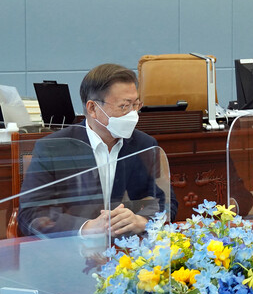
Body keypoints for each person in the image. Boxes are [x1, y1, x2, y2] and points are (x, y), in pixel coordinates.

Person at [18, 63, 178, 237]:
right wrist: (86, 228)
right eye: (124, 106)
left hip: (128, 251)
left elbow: (167, 203)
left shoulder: (144, 145)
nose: (133, 114)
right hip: (71, 252)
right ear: (93, 108)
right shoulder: (53, 148)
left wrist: (142, 221)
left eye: (135, 105)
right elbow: (30, 214)